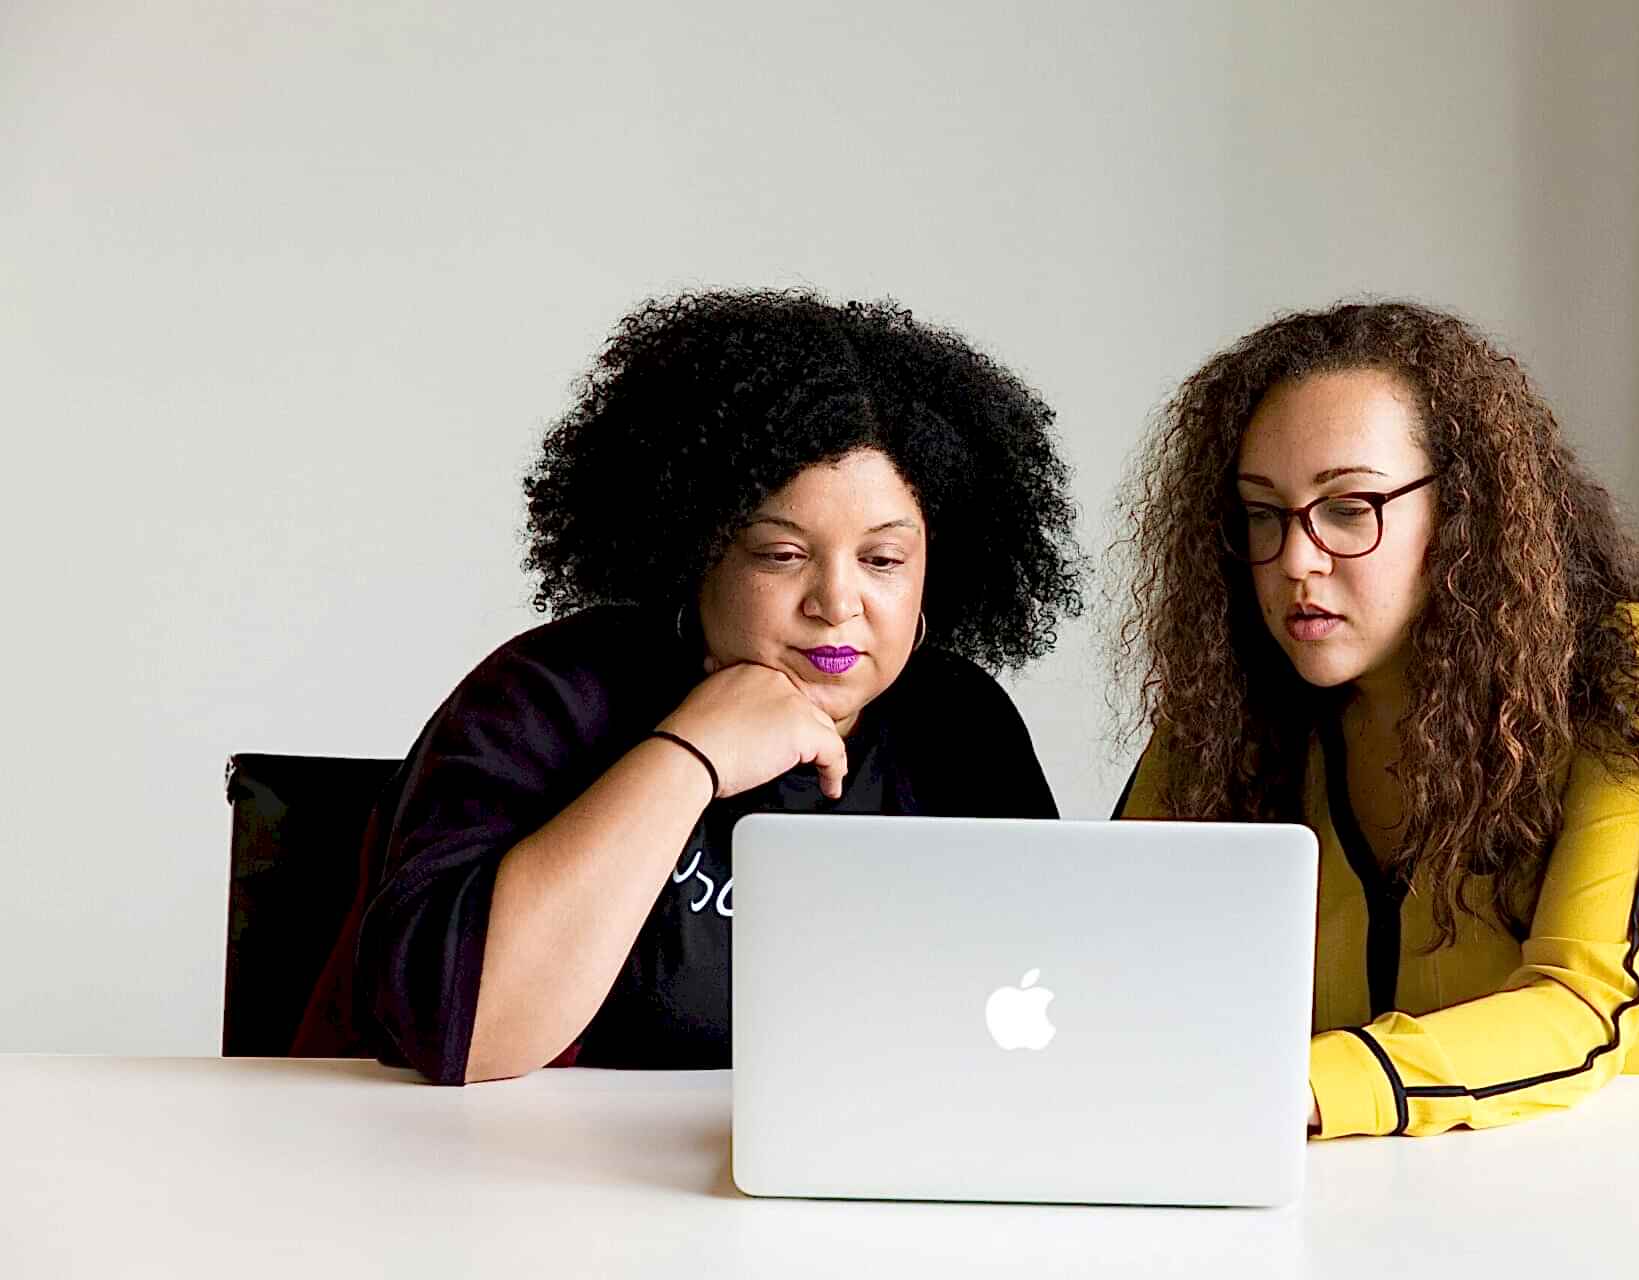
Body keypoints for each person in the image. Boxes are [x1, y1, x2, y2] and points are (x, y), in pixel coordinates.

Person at [300, 290, 1082, 1084]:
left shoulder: (961, 725)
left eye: (882, 561)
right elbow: (462, 1039)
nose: (837, 603)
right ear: (696, 551)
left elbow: (1059, 1007)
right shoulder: (550, 694)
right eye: (780, 554)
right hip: (516, 1182)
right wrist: (691, 753)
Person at [1112, 300, 1639, 1137]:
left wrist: (1297, 1087)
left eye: (1349, 509)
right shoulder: (1232, 693)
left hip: (1620, 1182)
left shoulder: (1624, 665)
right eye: (1263, 515)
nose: (1295, 559)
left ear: (1461, 514)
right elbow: (1116, 947)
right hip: (1335, 1183)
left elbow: (1583, 1007)